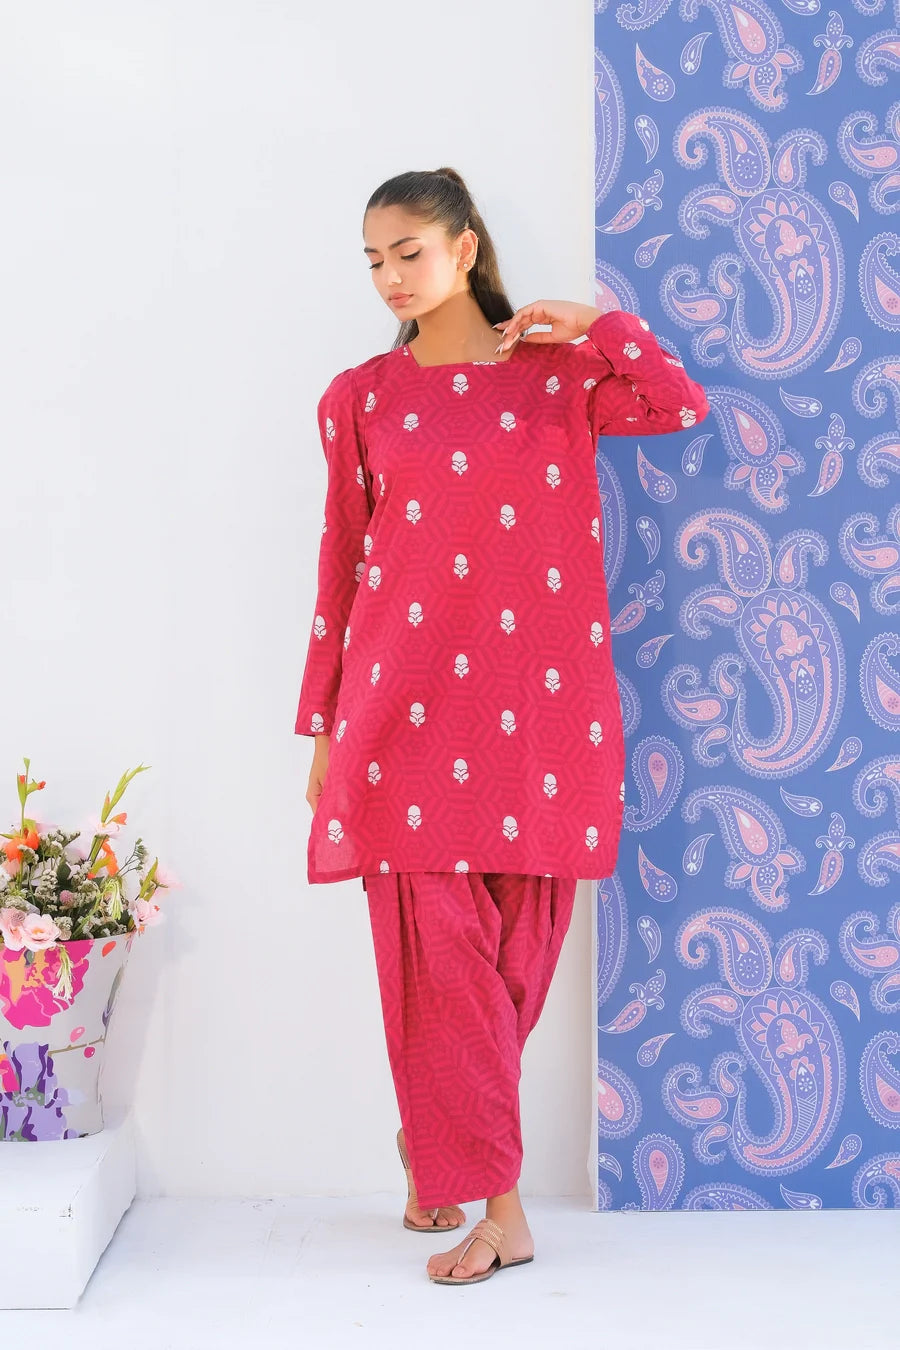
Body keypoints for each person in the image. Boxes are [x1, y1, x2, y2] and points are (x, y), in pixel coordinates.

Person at [294, 167, 710, 1285]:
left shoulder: (558, 379)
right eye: (373, 259)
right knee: (440, 966)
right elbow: (342, 565)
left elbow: (678, 405)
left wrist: (600, 324)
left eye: (409, 252)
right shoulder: (361, 398)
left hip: (543, 711)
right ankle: (503, 1213)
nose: (389, 277)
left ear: (466, 248)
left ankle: (437, 1143)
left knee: (512, 968)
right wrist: (322, 724)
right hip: (399, 711)